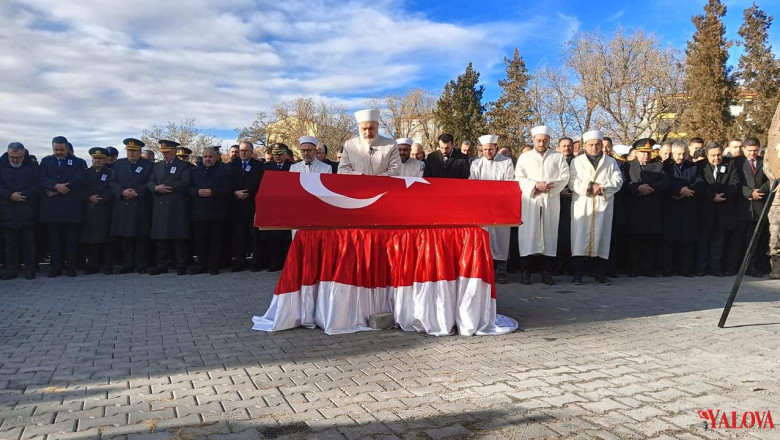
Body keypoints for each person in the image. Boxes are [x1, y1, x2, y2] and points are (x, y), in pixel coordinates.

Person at [514, 125, 570, 285]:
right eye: (538, 140)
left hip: (550, 199)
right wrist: (534, 185)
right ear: (533, 140)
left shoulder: (557, 157)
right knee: (528, 235)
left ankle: (547, 273)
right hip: (530, 200)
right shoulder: (525, 157)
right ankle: (526, 272)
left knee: (549, 235)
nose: (541, 143)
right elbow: (518, 177)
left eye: (545, 140)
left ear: (549, 141)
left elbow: (565, 176)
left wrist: (549, 186)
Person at [569, 130, 624, 285]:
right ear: (585, 145)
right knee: (579, 239)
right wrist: (589, 186)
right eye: (591, 145)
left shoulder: (611, 162)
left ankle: (601, 274)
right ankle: (577, 275)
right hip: (583, 204)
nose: (594, 147)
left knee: (603, 238)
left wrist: (602, 187)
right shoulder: (577, 161)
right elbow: (572, 181)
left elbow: (618, 181)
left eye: (598, 144)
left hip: (603, 203)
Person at [38, 136, 88, 277]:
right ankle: (56, 268)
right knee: (54, 241)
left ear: (67, 148)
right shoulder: (46, 161)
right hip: (52, 210)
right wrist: (55, 186)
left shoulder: (79, 162)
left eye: (62, 149)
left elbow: (80, 178)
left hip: (71, 208)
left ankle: (71, 267)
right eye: (56, 150)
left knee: (71, 241)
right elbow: (41, 179)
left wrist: (66, 187)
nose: (59, 152)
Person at [469, 135, 515, 283]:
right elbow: (473, 183)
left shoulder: (506, 162)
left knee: (502, 237)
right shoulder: (476, 163)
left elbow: (509, 181)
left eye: (490, 149)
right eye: (485, 149)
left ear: (496, 147)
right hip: (482, 206)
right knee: (484, 236)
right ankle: (485, 268)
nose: (488, 152)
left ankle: (501, 270)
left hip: (500, 205)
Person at [624, 138, 669, 277]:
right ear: (636, 152)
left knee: (650, 241)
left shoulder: (658, 166)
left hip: (651, 209)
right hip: (634, 209)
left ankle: (648, 268)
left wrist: (651, 188)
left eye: (649, 152)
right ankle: (633, 268)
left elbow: (665, 182)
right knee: (634, 241)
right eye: (643, 152)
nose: (646, 155)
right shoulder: (628, 166)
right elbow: (625, 183)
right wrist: (637, 188)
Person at [109, 138, 154, 274]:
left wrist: (137, 192)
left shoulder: (148, 165)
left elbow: (150, 182)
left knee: (141, 236)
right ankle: (127, 264)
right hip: (123, 204)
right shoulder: (119, 164)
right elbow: (112, 182)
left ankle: (141, 264)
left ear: (140, 151)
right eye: (129, 151)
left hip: (140, 204)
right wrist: (121, 192)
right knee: (126, 236)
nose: (131, 153)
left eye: (134, 151)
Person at [696, 141, 740, 277]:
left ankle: (716, 268)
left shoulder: (730, 164)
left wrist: (723, 196)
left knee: (718, 241)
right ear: (707, 155)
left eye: (719, 155)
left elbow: (734, 182)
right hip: (705, 209)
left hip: (723, 208)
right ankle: (701, 267)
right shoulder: (700, 166)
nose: (717, 158)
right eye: (713, 155)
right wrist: (711, 197)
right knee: (703, 241)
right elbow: (700, 184)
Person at [148, 140, 191, 275]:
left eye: (167, 152)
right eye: (163, 152)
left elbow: (185, 183)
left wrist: (167, 186)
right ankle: (161, 264)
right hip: (160, 205)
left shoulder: (184, 166)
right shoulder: (157, 166)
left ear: (174, 151)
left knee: (179, 236)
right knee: (161, 237)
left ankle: (180, 264)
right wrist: (155, 187)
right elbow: (150, 181)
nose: (165, 155)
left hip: (176, 205)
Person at [661, 140, 702, 277]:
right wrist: (678, 190)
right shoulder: (665, 166)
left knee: (687, 240)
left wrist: (688, 190)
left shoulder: (693, 166)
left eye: (684, 154)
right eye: (678, 154)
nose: (681, 157)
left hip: (688, 207)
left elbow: (699, 181)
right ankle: (668, 268)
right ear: (672, 153)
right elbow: (665, 182)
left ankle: (685, 268)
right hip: (670, 207)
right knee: (669, 241)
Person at [189, 147, 232, 275]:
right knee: (200, 240)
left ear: (216, 157)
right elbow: (187, 188)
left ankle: (214, 265)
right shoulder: (194, 171)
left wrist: (213, 192)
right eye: (205, 156)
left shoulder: (224, 171)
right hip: (199, 212)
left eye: (210, 156)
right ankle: (201, 264)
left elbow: (229, 189)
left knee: (216, 240)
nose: (207, 159)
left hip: (216, 212)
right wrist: (197, 192)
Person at [731, 137, 770, 277]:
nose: (752, 153)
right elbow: (735, 181)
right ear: (744, 149)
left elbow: (771, 179)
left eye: (755, 150)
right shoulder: (736, 163)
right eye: (749, 151)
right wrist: (748, 192)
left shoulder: (764, 162)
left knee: (756, 240)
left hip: (759, 207)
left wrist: (761, 191)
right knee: (739, 239)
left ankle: (753, 267)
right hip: (743, 207)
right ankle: (735, 266)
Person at [0, 142, 39, 280]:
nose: (15, 160)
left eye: (18, 157)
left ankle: (30, 270)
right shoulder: (1, 164)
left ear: (23, 154)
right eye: (12, 157)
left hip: (27, 209)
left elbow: (37, 185)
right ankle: (12, 270)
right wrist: (10, 195)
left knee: (28, 243)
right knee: (10, 244)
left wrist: (23, 194)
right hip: (7, 210)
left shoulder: (33, 166)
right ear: (8, 154)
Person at [79, 147, 115, 275]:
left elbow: (113, 189)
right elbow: (80, 189)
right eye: (95, 158)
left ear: (106, 159)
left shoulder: (111, 172)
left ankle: (108, 265)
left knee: (107, 240)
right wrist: (89, 197)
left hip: (105, 210)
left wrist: (101, 198)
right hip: (90, 210)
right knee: (91, 240)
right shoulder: (85, 173)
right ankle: (93, 265)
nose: (97, 161)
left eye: (100, 159)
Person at [230, 140, 265, 272]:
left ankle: (255, 262)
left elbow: (259, 183)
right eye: (241, 151)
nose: (243, 153)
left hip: (252, 204)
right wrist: (235, 192)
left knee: (254, 235)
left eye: (245, 151)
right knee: (239, 235)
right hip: (237, 204)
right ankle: (240, 261)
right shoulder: (233, 165)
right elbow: (229, 181)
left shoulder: (258, 166)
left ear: (251, 152)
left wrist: (247, 192)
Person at [339, 109, 400, 176]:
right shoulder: (349, 145)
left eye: (371, 129)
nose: (368, 133)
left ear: (377, 127)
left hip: (383, 185)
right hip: (355, 185)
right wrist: (362, 177)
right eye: (364, 129)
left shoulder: (391, 145)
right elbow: (342, 169)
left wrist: (376, 179)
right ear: (359, 128)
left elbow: (395, 170)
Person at [261, 143, 293, 271]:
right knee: (273, 235)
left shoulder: (292, 167)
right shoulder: (265, 167)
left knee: (286, 235)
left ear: (286, 154)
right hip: (272, 205)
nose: (277, 156)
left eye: (280, 154)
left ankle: (287, 262)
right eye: (275, 154)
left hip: (288, 205)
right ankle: (274, 262)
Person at [555, 137, 575, 276]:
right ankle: (558, 265)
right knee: (558, 234)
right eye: (564, 146)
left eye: (569, 146)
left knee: (571, 234)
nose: (567, 148)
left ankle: (570, 265)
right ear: (558, 147)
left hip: (574, 201)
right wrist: (558, 191)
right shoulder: (554, 161)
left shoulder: (578, 161)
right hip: (557, 200)